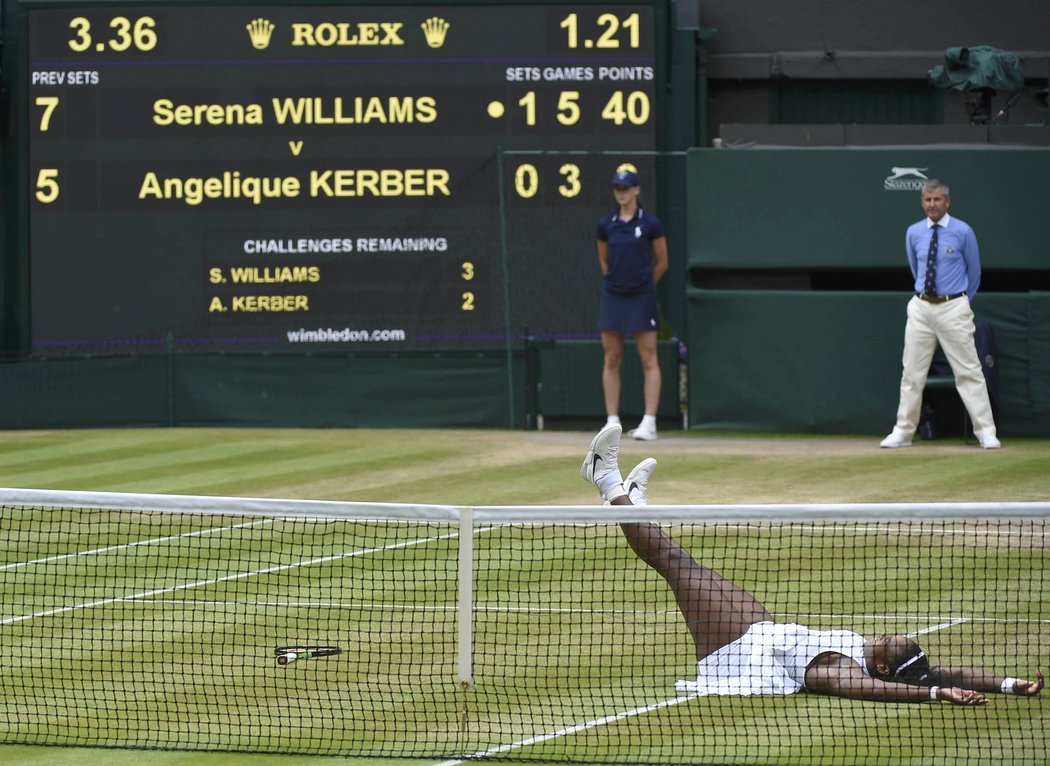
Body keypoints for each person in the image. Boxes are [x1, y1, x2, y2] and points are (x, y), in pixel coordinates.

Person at [580, 423, 1044, 703]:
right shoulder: (881, 658)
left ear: (881, 667)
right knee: (687, 564)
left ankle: (606, 479)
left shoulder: (841, 671)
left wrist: (932, 695)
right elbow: (941, 669)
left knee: (675, 564)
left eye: (885, 643)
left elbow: (871, 690)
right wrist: (1006, 682)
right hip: (765, 632)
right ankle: (634, 506)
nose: (881, 636)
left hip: (739, 656)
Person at [881, 179, 1000, 449]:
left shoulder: (963, 232)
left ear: (947, 202)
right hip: (921, 307)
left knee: (969, 370)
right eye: (927, 200)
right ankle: (903, 431)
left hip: (953, 306)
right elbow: (916, 268)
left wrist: (959, 303)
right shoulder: (913, 232)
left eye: (936, 200)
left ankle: (985, 431)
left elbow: (975, 273)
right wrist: (927, 298)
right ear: (922, 202)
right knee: (911, 372)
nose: (931, 205)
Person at [596, 167, 669, 441]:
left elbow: (662, 262)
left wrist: (643, 283)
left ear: (637, 190)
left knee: (648, 356)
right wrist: (617, 281)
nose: (621, 193)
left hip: (642, 296)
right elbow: (604, 260)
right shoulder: (606, 225)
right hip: (614, 295)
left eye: (626, 188)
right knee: (611, 357)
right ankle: (612, 422)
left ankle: (649, 422)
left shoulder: (650, 224)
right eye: (617, 188)